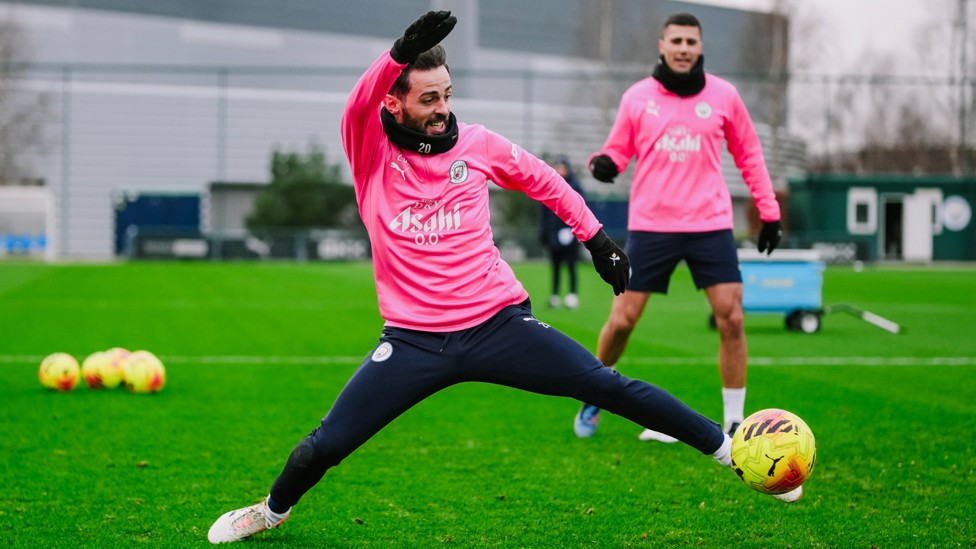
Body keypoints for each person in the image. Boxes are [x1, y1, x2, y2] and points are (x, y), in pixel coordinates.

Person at [207, 11, 797, 544]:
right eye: (428, 98)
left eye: (447, 95)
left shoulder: (477, 144)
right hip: (413, 340)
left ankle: (735, 453)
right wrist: (395, 53)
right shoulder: (370, 152)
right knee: (327, 444)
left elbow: (545, 180)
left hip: (498, 325)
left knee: (606, 385)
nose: (441, 109)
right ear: (395, 104)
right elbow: (357, 103)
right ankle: (270, 511)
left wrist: (597, 239)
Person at [573, 13, 783, 444]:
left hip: (710, 225)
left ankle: (734, 422)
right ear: (662, 45)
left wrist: (769, 211)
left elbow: (750, 154)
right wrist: (606, 163)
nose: (684, 47)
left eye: (691, 41)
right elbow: (617, 149)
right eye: (677, 40)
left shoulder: (725, 96)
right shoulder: (637, 98)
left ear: (700, 47)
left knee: (733, 319)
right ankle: (593, 397)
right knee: (623, 320)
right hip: (652, 226)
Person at [539, 156, 585, 309]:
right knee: (556, 265)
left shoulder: (575, 187)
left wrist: (575, 229)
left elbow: (580, 209)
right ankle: (555, 295)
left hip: (570, 231)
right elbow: (544, 211)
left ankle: (572, 294)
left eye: (562, 168)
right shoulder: (549, 186)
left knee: (571, 264)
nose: (560, 171)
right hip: (554, 233)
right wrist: (545, 231)